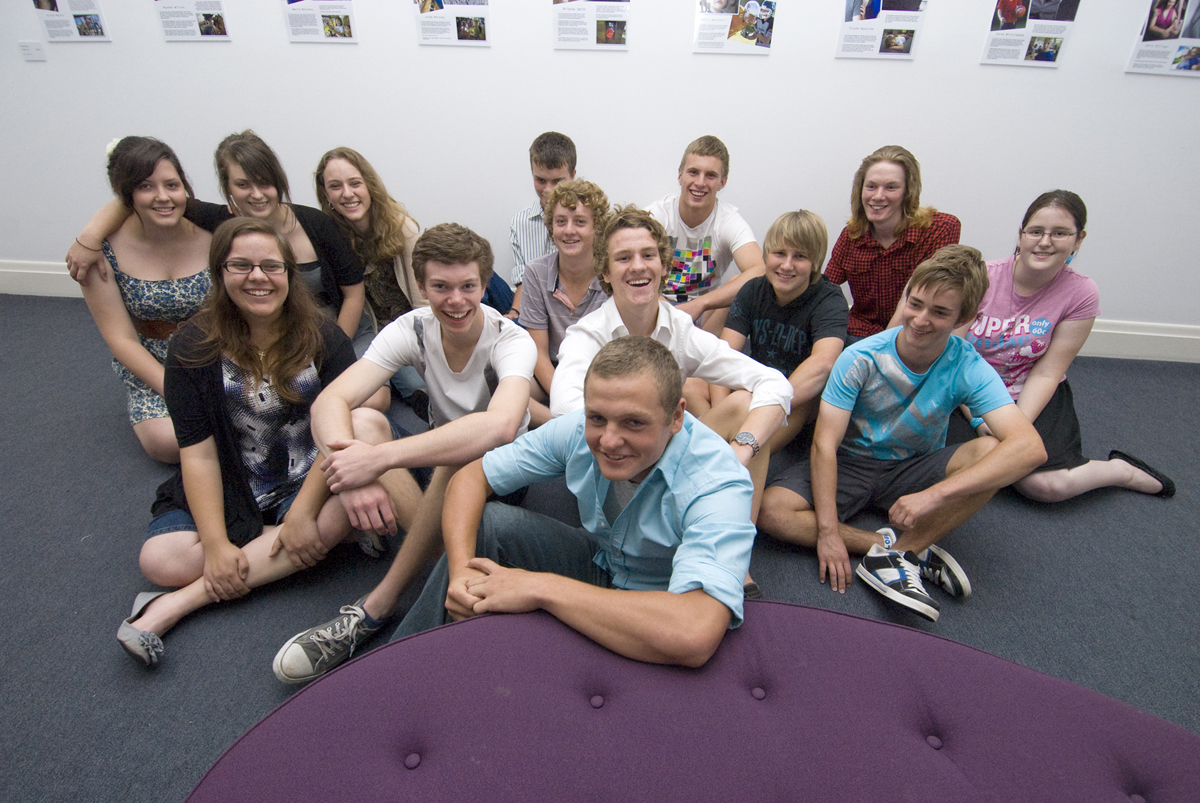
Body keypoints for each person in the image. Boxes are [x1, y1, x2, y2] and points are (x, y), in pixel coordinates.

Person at [116, 218, 387, 668]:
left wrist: (301, 514)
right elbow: (198, 455)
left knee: (339, 498)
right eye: (241, 266)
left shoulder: (322, 334)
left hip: (310, 478)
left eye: (270, 266)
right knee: (160, 560)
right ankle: (298, 549)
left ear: (288, 273)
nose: (257, 277)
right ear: (220, 273)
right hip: (232, 479)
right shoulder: (192, 346)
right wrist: (217, 542)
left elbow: (339, 438)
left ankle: (174, 605)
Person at [390, 336, 757, 668]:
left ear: (675, 416)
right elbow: (471, 477)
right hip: (604, 562)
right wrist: (461, 574)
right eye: (597, 417)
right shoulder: (578, 430)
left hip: (660, 597)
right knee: (489, 523)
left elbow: (694, 633)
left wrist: (539, 589)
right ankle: (398, 666)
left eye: (633, 423)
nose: (609, 440)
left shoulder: (717, 483)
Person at [272, 223, 536, 684]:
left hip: (501, 474)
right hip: (435, 462)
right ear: (420, 286)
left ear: (483, 283)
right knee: (363, 423)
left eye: (468, 286)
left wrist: (379, 462)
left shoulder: (510, 340)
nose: (455, 300)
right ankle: (441, 556)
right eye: (440, 287)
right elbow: (331, 402)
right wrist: (353, 477)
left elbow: (500, 426)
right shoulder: (411, 329)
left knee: (459, 452)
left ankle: (378, 604)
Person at [757, 245, 1046, 622]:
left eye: (940, 312)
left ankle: (905, 553)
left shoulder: (967, 364)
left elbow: (1030, 448)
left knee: (993, 451)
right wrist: (827, 533)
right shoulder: (860, 357)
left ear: (966, 317)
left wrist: (933, 495)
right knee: (771, 512)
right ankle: (896, 550)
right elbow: (824, 446)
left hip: (914, 468)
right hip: (850, 461)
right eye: (916, 303)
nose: (920, 320)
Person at [67, 132, 379, 410]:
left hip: (334, 329)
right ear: (227, 189)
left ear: (279, 181)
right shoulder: (220, 224)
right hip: (273, 338)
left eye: (264, 182)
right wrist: (90, 237)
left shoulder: (315, 223)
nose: (256, 194)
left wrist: (333, 351)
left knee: (373, 399)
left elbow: (353, 294)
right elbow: (139, 198)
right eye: (243, 185)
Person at [550, 205, 791, 521]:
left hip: (668, 456)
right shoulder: (587, 336)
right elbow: (563, 409)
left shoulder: (678, 328)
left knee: (748, 407)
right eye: (624, 258)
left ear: (664, 267)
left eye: (648, 255)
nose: (638, 267)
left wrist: (740, 452)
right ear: (605, 272)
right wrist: (649, 433)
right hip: (615, 467)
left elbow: (775, 383)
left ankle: (738, 550)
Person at [957, 191, 1175, 502]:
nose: (1045, 242)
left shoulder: (1081, 292)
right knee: (965, 463)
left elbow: (1048, 371)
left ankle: (1120, 470)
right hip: (967, 392)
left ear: (1078, 239)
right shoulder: (982, 277)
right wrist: (981, 419)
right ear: (1020, 236)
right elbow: (955, 357)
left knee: (1046, 487)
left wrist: (1013, 426)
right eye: (1036, 232)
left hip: (1028, 390)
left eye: (1059, 233)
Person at [76, 136, 212, 463]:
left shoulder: (213, 233)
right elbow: (120, 339)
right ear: (128, 196)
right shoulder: (100, 253)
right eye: (147, 187)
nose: (163, 197)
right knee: (169, 442)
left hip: (216, 354)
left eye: (172, 184)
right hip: (155, 366)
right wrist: (177, 392)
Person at [712, 210, 848, 465]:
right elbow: (723, 355)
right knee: (696, 383)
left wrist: (768, 406)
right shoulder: (753, 289)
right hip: (752, 388)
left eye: (800, 256)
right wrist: (723, 411)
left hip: (793, 402)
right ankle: (723, 444)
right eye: (779, 254)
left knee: (791, 412)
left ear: (815, 262)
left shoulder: (830, 300)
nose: (787, 265)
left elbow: (823, 364)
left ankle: (733, 454)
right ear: (766, 256)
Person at [315, 146, 429, 408]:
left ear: (369, 186)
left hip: (407, 328)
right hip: (369, 333)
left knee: (416, 385)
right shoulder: (329, 237)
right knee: (368, 395)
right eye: (335, 186)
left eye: (355, 183)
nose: (347, 193)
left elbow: (423, 302)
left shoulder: (402, 228)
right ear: (326, 194)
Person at [824, 145, 961, 341]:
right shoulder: (851, 235)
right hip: (859, 335)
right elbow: (826, 289)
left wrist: (881, 349)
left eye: (891, 187)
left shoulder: (941, 228)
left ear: (908, 192)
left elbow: (919, 295)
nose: (878, 196)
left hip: (913, 336)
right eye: (871, 186)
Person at [647, 135, 765, 338]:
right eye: (693, 172)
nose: (700, 182)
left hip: (704, 314)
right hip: (657, 302)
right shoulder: (658, 215)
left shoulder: (727, 221)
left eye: (710, 175)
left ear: (722, 182)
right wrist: (665, 309)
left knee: (741, 282)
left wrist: (700, 303)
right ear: (680, 175)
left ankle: (703, 353)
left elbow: (761, 270)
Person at [520, 179, 610, 426]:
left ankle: (569, 425)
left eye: (580, 222)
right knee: (511, 388)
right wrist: (564, 396)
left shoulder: (612, 273)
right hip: (553, 372)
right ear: (551, 227)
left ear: (597, 228)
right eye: (560, 221)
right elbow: (538, 352)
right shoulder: (536, 273)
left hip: (601, 375)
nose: (569, 230)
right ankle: (567, 424)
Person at [508, 132, 577, 322]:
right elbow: (524, 279)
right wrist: (515, 312)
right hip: (528, 301)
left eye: (557, 181)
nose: (548, 190)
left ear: (572, 176)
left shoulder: (586, 224)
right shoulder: (520, 222)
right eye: (540, 180)